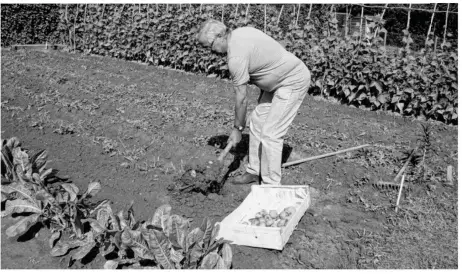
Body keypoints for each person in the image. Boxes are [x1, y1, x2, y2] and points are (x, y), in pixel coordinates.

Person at [197, 19, 311, 185]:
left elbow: (241, 98)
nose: (210, 51)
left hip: (292, 81)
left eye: (210, 45)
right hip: (277, 84)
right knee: (257, 121)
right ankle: (254, 171)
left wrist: (238, 129)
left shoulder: (236, 57)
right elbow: (268, 56)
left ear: (221, 36)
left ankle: (271, 186)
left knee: (271, 133)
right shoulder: (240, 32)